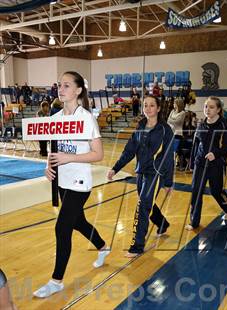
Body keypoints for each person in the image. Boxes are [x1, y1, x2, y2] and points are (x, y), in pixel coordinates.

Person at [33, 71, 109, 298]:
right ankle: (103, 246)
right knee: (78, 222)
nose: (61, 88)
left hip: (80, 183)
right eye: (60, 85)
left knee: (62, 227)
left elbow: (98, 154)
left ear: (78, 90)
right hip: (61, 182)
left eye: (67, 85)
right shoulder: (54, 119)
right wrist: (49, 166)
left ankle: (56, 281)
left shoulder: (86, 118)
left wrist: (70, 158)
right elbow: (53, 150)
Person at [108, 95, 174, 257]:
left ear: (158, 108)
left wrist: (168, 182)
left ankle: (137, 246)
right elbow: (129, 150)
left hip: (155, 174)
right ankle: (162, 223)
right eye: (145, 105)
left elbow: (169, 157)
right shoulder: (140, 126)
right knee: (146, 203)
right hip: (141, 172)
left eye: (152, 105)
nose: (148, 108)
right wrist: (115, 168)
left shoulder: (165, 130)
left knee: (142, 206)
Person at [186, 96, 227, 230]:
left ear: (218, 109)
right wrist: (192, 162)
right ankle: (194, 222)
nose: (207, 109)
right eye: (206, 106)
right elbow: (196, 144)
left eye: (211, 107)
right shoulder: (201, 124)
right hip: (200, 163)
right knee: (196, 191)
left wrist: (216, 154)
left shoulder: (224, 125)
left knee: (216, 191)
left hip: (216, 164)